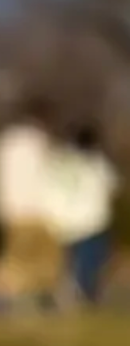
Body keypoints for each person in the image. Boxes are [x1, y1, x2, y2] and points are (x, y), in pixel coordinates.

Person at [0, 98, 61, 308]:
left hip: (13, 208)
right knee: (45, 260)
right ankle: (35, 299)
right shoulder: (41, 141)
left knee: (18, 257)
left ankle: (18, 297)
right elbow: (51, 175)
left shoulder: (5, 141)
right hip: (40, 209)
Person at [44, 122, 120, 306]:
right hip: (91, 222)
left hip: (63, 222)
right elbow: (113, 186)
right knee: (91, 263)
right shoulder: (97, 163)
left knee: (68, 262)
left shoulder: (61, 162)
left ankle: (67, 293)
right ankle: (86, 295)